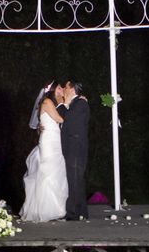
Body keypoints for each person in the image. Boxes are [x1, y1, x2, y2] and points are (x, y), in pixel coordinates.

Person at [19, 81, 68, 222]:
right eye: (59, 88)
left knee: (54, 171)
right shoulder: (47, 102)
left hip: (54, 139)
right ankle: (45, 210)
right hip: (49, 141)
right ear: (52, 90)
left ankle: (57, 208)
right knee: (48, 172)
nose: (61, 89)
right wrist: (67, 104)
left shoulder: (51, 102)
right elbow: (59, 118)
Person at [61, 80, 90, 220]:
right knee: (76, 179)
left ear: (72, 89)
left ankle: (72, 212)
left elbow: (67, 119)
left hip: (76, 146)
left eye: (66, 86)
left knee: (74, 178)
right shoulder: (76, 103)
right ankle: (81, 211)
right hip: (72, 145)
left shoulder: (81, 103)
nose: (63, 88)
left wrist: (65, 104)